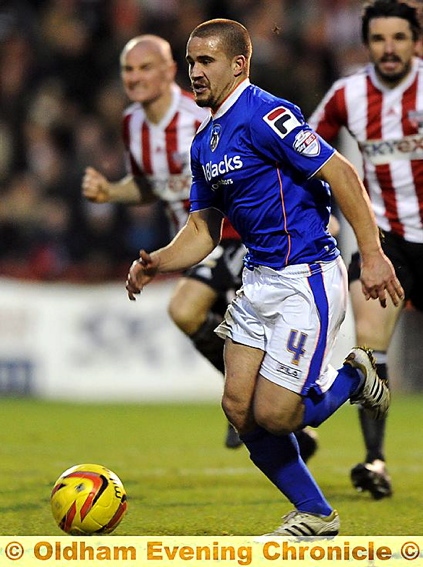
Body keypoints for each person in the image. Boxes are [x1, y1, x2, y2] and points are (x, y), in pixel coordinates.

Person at [126, 19, 403, 535]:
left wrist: (373, 252)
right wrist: (157, 261)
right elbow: (203, 229)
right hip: (258, 280)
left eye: (206, 61)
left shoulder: (267, 116)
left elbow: (341, 172)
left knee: (277, 415)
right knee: (238, 408)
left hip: (306, 277)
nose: (195, 71)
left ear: (239, 64)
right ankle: (317, 515)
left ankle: (355, 376)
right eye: (191, 62)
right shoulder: (205, 141)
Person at [81, 33, 318, 458]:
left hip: (238, 235)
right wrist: (111, 194)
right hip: (194, 239)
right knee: (189, 314)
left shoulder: (200, 113)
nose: (134, 78)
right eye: (128, 70)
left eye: (144, 68)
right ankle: (255, 407)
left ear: (169, 70)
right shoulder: (132, 124)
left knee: (188, 308)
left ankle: (263, 407)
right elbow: (150, 186)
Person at [308, 0, 423, 500]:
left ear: (415, 43)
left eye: (399, 38)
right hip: (386, 241)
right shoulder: (347, 94)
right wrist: (320, 208)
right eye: (379, 39)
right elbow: (305, 152)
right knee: (370, 345)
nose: (389, 48)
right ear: (367, 43)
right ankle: (374, 461)